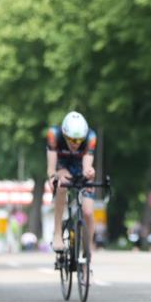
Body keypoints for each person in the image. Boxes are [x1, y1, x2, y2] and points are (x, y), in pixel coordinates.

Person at [47, 111, 97, 267]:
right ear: (64, 134)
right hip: (61, 166)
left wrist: (89, 172)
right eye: (71, 140)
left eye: (79, 140)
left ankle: (87, 246)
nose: (75, 143)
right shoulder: (54, 135)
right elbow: (51, 169)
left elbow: (87, 166)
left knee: (88, 211)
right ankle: (57, 233)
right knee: (62, 184)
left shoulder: (90, 137)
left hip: (79, 166)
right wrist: (52, 178)